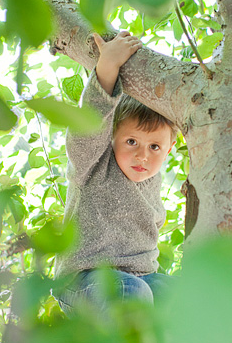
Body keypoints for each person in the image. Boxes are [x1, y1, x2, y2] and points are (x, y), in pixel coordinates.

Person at [54, 31, 177, 314]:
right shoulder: (94, 163)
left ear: (168, 150)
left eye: (155, 146)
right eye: (131, 141)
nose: (142, 155)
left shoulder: (152, 180)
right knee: (130, 291)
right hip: (83, 280)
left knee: (180, 295)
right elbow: (87, 130)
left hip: (140, 278)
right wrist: (107, 68)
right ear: (111, 137)